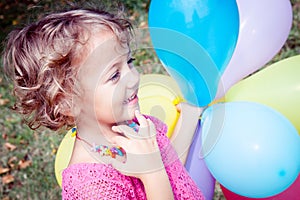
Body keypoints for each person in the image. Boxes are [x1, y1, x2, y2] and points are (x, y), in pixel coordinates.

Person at [3, 6, 204, 200]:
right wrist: (152, 172)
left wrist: (189, 117)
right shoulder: (92, 187)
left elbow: (173, 173)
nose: (134, 78)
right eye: (114, 75)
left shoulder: (134, 126)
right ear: (67, 103)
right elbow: (160, 172)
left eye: (130, 62)